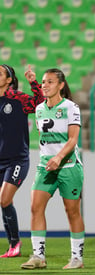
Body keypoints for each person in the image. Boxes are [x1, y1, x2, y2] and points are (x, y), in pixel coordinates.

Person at [21, 68, 85, 269]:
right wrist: (51, 157)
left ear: (61, 85)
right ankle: (38, 257)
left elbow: (73, 139)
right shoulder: (39, 109)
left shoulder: (71, 107)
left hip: (69, 166)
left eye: (50, 82)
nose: (45, 85)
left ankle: (77, 258)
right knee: (35, 208)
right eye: (43, 82)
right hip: (46, 166)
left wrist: (59, 157)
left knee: (72, 211)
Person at [0, 64, 44, 258]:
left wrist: (33, 82)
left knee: (4, 199)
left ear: (9, 80)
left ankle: (15, 243)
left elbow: (40, 104)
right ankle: (13, 245)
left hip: (17, 159)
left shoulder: (18, 99)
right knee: (4, 202)